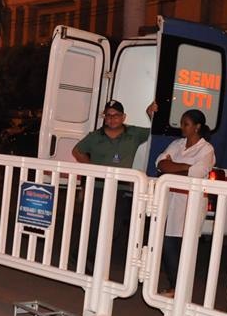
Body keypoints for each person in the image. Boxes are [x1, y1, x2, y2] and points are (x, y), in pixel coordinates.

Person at [70, 99, 157, 274]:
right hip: (98, 187)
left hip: (121, 188)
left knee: (115, 227)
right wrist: (91, 167)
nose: (111, 119)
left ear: (123, 117)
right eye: (108, 115)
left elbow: (154, 133)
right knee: (93, 224)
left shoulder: (133, 133)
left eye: (116, 115)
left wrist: (151, 115)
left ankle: (92, 257)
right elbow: (77, 151)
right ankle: (84, 257)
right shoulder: (95, 136)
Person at [155, 109, 215, 295]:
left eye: (186, 124)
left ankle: (180, 287)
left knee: (184, 246)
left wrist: (173, 167)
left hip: (191, 203)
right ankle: (176, 285)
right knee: (167, 243)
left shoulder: (206, 149)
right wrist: (184, 167)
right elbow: (160, 163)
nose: (182, 127)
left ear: (197, 127)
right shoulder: (177, 144)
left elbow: (197, 172)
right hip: (171, 200)